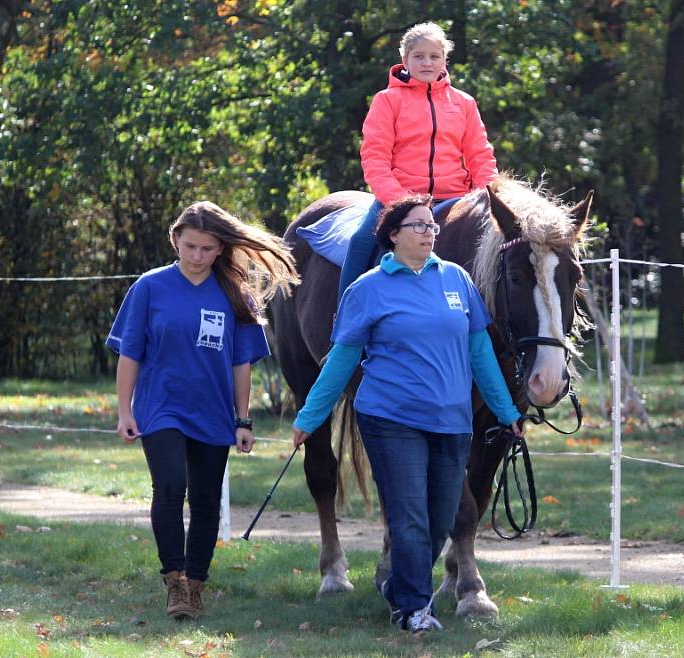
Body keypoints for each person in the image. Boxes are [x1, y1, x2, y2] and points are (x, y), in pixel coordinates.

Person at [292, 195, 524, 634]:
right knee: (411, 516)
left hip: (451, 420)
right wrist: (310, 416)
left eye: (431, 226)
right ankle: (414, 609)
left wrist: (505, 409)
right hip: (391, 420)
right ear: (393, 235)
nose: (429, 232)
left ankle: (397, 582)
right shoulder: (367, 289)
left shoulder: (457, 281)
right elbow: (341, 360)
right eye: (417, 225)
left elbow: (480, 354)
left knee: (441, 517)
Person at [107, 201, 298, 620]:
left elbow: (240, 362)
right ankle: (173, 579)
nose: (196, 256)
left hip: (213, 413)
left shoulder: (234, 294)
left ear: (220, 249)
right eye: (190, 246)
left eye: (207, 248)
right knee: (171, 487)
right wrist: (125, 411)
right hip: (160, 408)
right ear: (175, 240)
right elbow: (129, 354)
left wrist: (243, 418)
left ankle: (195, 584)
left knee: (207, 500)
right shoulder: (150, 287)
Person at [337, 21, 498, 301]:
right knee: (361, 241)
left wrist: (487, 198)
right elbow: (375, 158)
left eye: (434, 56)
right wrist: (401, 203)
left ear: (444, 60)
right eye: (419, 56)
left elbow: (480, 156)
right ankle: (345, 317)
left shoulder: (464, 103)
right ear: (405, 60)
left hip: (457, 199)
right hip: (398, 200)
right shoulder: (387, 101)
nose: (427, 62)